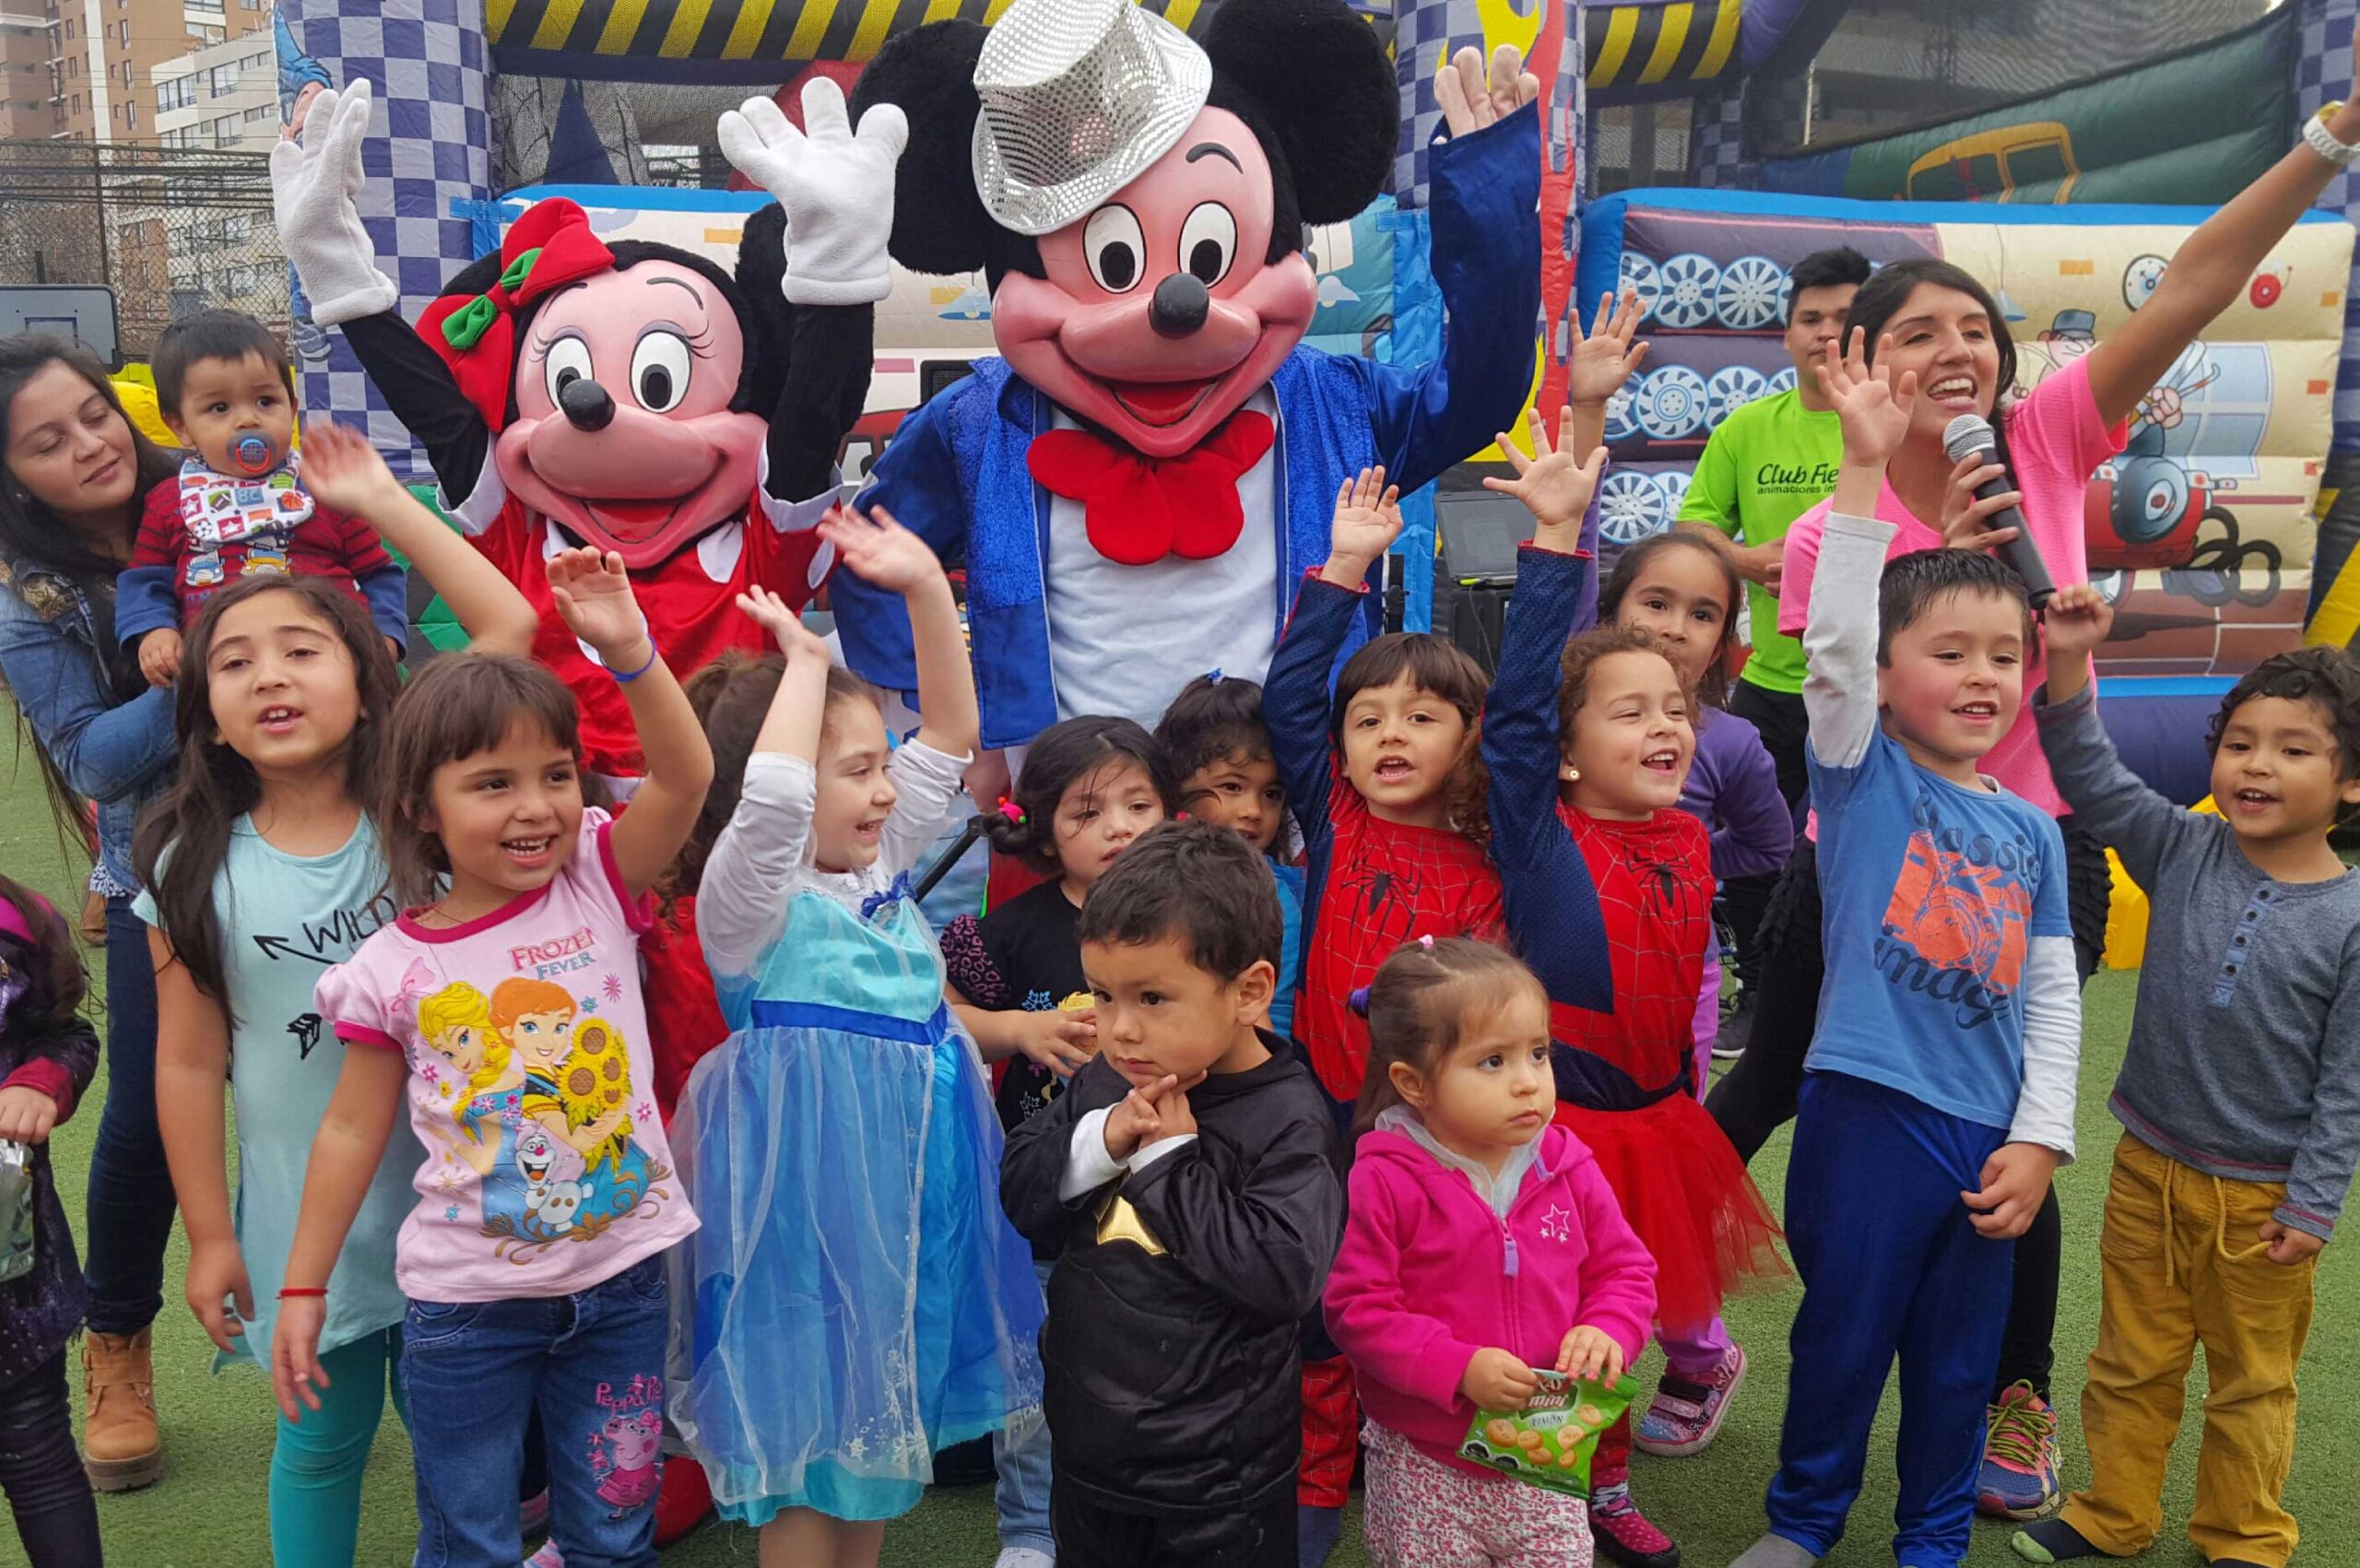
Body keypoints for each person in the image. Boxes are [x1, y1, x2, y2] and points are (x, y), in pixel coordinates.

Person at [1714, 82, 2360, 1505]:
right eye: (1914, 332)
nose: (1952, 349)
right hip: (1867, 851)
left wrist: (2329, 136)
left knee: (2020, 1129)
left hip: (2031, 851)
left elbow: (2196, 279)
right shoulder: (1837, 524)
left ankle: (2013, 1401)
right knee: (1766, 1077)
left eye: (1971, 331)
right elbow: (1838, 677)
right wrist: (1931, 541)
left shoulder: (2055, 437)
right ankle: (1661, 1310)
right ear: (1859, 366)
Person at [137, 422, 537, 1567]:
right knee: (318, 1445)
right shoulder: (189, 866)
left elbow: (508, 631)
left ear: (371, 686)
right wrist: (213, 1239)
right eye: (234, 660)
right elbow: (186, 1061)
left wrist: (376, 502)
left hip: (465, 1199)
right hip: (308, 1229)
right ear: (205, 710)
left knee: (468, 1450)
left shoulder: (424, 811)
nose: (268, 673)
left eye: (302, 648)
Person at [274, 548, 713, 1568]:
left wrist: (632, 652)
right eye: (492, 784)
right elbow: (349, 1129)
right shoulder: (389, 969)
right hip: (467, 1313)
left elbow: (686, 778)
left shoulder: (598, 879)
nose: (536, 807)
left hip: (623, 1289)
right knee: (469, 1541)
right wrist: (303, 1289)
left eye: (555, 776)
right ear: (422, 806)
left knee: (611, 1530)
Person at [1728, 333, 2081, 1568]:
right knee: (1842, 1338)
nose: (1983, 675)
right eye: (1950, 653)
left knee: (1957, 1361)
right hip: (1865, 1112)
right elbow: (1828, 646)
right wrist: (1867, 476)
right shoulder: (1861, 775)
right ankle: (1803, 1524)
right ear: (1885, 680)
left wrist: (2039, 1138)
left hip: (1985, 1141)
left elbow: (2053, 1004)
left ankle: (1932, 1538)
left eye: (2003, 657)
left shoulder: (2034, 831)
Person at [668, 507, 1044, 1568]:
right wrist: (802, 661)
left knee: (885, 1414)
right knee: (805, 1425)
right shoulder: (749, 902)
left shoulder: (876, 871)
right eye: (857, 768)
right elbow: (776, 798)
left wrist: (927, 589)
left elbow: (953, 744)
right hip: (797, 1211)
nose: (885, 787)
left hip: (910, 1190)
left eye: (881, 763)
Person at [1476, 409, 1781, 1568]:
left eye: (1677, 710)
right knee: (1539, 1329)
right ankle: (1538, 1494)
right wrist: (1556, 541)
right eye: (1629, 711)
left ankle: (1596, 1488)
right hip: (1557, 1138)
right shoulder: (1541, 835)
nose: (1666, 727)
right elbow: (1513, 717)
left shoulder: (1688, 840)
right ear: (1564, 753)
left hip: (1659, 1127)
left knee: (1615, 1328)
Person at [2011, 611, 2360, 1568]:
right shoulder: (2181, 848)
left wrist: (2313, 1204)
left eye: (2293, 749)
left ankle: (2242, 1535)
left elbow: (2347, 1084)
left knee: (2252, 1381)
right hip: (2147, 1168)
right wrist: (2071, 656)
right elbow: (2087, 771)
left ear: (2349, 783)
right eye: (2239, 742)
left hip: (2262, 1202)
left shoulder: (2349, 918)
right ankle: (2109, 1514)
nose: (2256, 764)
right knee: (2129, 1361)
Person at [1263, 466, 1508, 1557]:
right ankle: (1319, 1480)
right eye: (1367, 720)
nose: (1390, 735)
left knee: (1415, 1303)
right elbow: (1287, 698)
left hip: (1430, 1133)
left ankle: (1414, 1460)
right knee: (1320, 1307)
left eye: (1421, 716)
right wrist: (1346, 565)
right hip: (1319, 1106)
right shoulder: (1335, 815)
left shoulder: (1488, 868)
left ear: (1470, 738)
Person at [1001, 820, 1342, 1568]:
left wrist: (1168, 1161)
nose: (1120, 1028)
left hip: (1221, 1481)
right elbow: (1023, 1195)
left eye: (1153, 996)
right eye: (1102, 993)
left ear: (1251, 991)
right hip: (1089, 1452)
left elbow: (1282, 1274)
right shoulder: (1110, 1078)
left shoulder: (1288, 1116)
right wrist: (1101, 1140)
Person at [0, 334, 184, 1491]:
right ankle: (116, 1344)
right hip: (164, 871)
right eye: (47, 442)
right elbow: (95, 762)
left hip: (330, 841)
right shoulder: (33, 601)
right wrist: (215, 662)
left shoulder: (225, 495)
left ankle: (437, 1329)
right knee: (155, 1115)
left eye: (93, 415)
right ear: (16, 478)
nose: (89, 445)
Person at [1324, 935, 1657, 1568]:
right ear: (1413, 1083)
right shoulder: (1386, 1176)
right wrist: (1457, 1367)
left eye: (1538, 1052)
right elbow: (1355, 1308)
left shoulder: (1565, 1163)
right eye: (1493, 1061)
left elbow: (1625, 1268)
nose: (1528, 1082)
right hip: (1426, 1458)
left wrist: (1607, 1326)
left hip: (1544, 1443)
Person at [1595, 532, 1789, 1460]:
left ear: (1724, 640)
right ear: (1611, 607)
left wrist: (1683, 867)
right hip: (1551, 984)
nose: (1674, 627)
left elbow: (1768, 846)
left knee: (1656, 1175)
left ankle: (1697, 1351)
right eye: (1655, 602)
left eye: (1702, 612)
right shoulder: (1569, 718)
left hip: (1673, 977)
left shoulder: (1733, 745)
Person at [1672, 247, 1867, 1060]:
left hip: (1870, 698)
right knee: (1753, 851)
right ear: (1786, 333)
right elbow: (1694, 527)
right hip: (1769, 682)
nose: (1826, 335)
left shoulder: (1891, 428)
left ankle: (1854, 999)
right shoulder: (1748, 429)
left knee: (1863, 854)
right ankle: (1761, 987)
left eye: (1843, 318)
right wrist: (1763, 562)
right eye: (1810, 318)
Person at [114, 311, 408, 688]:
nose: (247, 420)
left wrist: (384, 635)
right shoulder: (171, 501)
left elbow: (378, 572)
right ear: (181, 426)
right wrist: (153, 630)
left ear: (293, 408)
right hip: (226, 678)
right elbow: (144, 581)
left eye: (266, 401)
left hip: (336, 668)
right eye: (220, 408)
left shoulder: (326, 490)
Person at [0, 876, 103, 1563]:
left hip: (11, 1275)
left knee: (36, 1447)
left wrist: (42, 1080)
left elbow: (66, 1033)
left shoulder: (15, 926)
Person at [1155, 673, 1304, 1038]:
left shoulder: (1279, 892)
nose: (1253, 810)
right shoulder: (1150, 880)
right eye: (1231, 787)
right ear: (1175, 788)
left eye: (1271, 794)